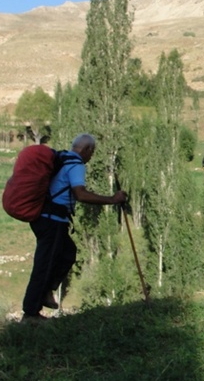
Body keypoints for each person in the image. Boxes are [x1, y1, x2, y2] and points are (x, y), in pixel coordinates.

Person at [21, 133, 127, 322]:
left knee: (67, 253)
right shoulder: (76, 164)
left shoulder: (63, 159)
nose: (91, 157)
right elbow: (81, 194)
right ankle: (30, 313)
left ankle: (45, 293)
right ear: (87, 149)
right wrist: (112, 200)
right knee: (45, 263)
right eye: (92, 152)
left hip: (47, 218)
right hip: (52, 219)